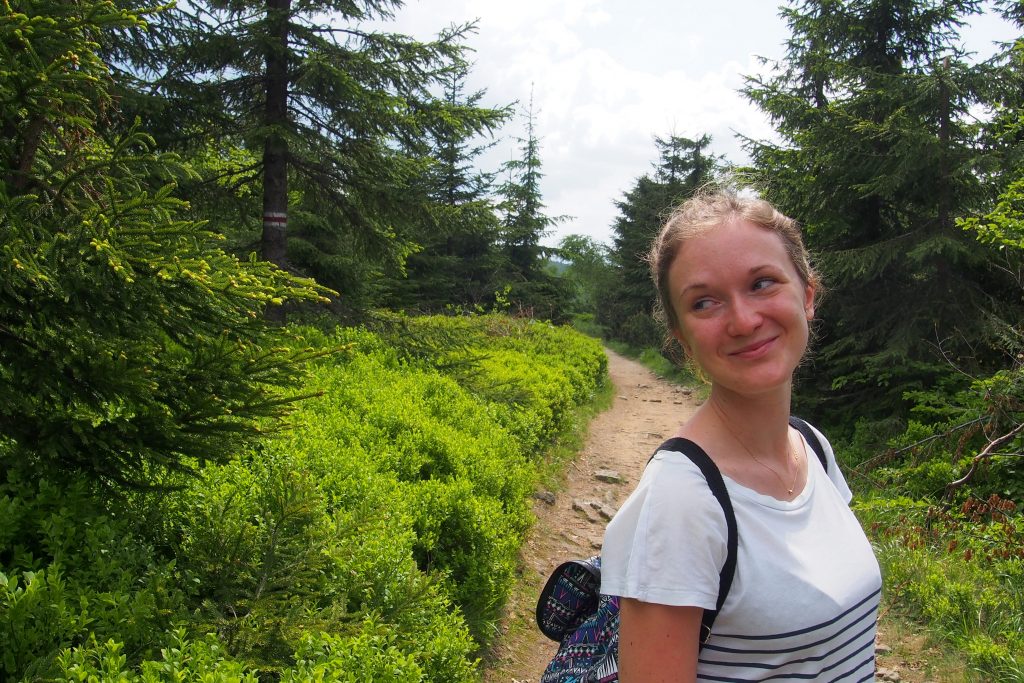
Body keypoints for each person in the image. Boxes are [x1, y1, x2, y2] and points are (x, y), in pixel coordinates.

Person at [600, 189, 881, 682]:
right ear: (682, 337)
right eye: (704, 302)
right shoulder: (679, 504)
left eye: (762, 283)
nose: (744, 320)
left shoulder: (813, 447)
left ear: (808, 294)